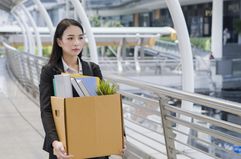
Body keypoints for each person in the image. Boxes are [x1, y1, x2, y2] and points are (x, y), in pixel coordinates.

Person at [39, 18, 106, 159]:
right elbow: (46, 109)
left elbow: (105, 106)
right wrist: (54, 141)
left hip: (94, 141)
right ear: (59, 42)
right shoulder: (49, 71)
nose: (76, 43)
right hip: (64, 144)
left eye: (80, 38)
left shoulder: (93, 69)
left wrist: (119, 135)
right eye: (70, 38)